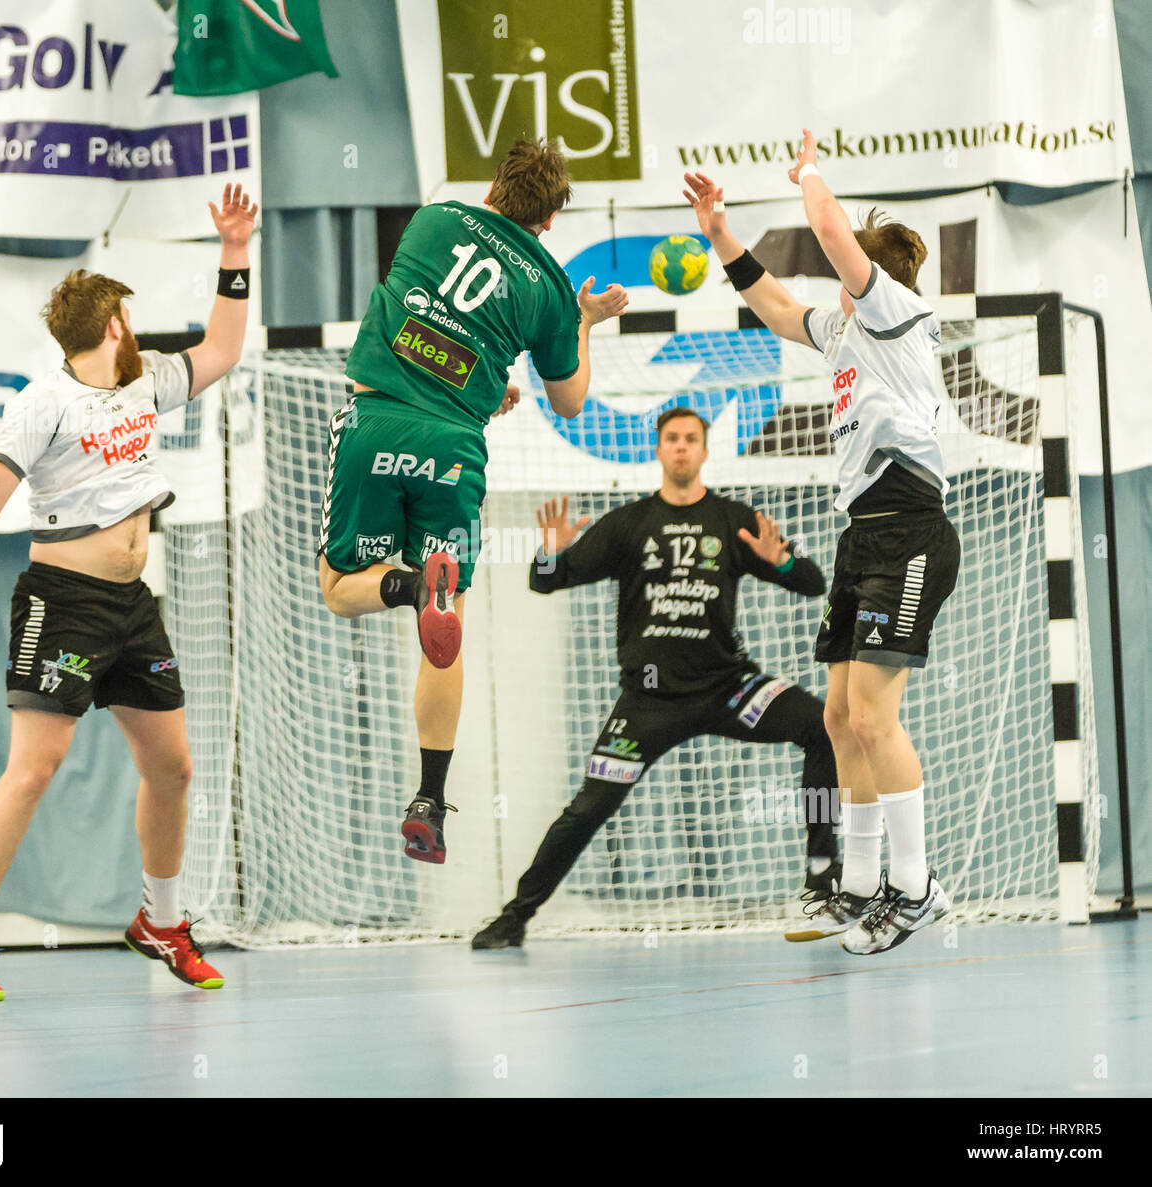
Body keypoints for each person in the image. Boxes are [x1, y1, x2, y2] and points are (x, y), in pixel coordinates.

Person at [0, 184, 259, 1001]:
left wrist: (235, 254)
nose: (134, 328)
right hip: (63, 602)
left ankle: (159, 922)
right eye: (128, 316)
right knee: (35, 768)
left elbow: (224, 348)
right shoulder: (42, 404)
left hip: (134, 608)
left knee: (172, 765)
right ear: (113, 326)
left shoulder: (145, 384)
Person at [683, 128, 958, 955]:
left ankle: (915, 890)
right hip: (861, 535)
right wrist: (719, 229)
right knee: (840, 717)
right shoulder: (843, 335)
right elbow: (769, 302)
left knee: (875, 717)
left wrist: (807, 171)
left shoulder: (893, 312)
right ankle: (862, 884)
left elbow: (834, 229)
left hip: (910, 530)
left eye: (845, 268)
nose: (834, 276)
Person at [316, 137, 628, 864]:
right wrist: (583, 320)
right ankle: (429, 795)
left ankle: (400, 587)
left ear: (495, 183)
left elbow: (431, 330)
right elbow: (572, 400)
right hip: (453, 449)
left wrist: (480, 379)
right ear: (549, 221)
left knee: (337, 590)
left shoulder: (431, 218)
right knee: (445, 619)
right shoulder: (550, 286)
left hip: (375, 423)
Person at [472, 407, 839, 949]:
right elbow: (544, 581)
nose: (682, 447)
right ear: (659, 450)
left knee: (825, 726)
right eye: (673, 439)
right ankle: (516, 915)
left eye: (692, 439)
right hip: (648, 703)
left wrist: (781, 563)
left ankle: (822, 877)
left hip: (729, 688)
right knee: (588, 808)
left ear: (705, 450)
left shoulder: (733, 520)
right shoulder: (630, 524)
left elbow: (812, 584)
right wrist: (549, 554)